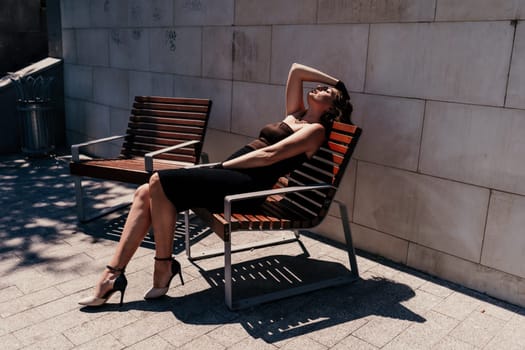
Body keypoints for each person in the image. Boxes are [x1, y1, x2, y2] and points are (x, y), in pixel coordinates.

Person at [78, 63, 353, 307]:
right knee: (144, 191)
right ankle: (112, 275)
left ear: (331, 108)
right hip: (234, 176)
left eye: (327, 92)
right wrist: (336, 82)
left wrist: (223, 166)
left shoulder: (314, 131)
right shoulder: (296, 115)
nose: (319, 87)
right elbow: (295, 70)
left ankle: (162, 266)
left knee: (158, 181)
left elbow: (270, 155)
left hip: (248, 186)